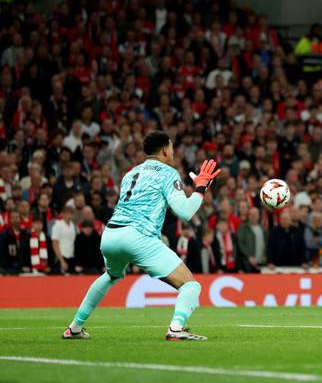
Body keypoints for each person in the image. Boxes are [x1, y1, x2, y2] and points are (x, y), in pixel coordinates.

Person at [62, 131, 222, 341]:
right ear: (164, 150)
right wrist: (200, 188)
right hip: (139, 236)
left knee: (111, 276)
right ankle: (175, 329)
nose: (173, 152)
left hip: (110, 234)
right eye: (171, 147)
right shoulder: (168, 173)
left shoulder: (130, 173)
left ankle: (74, 327)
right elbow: (185, 212)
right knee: (190, 286)